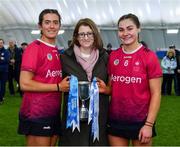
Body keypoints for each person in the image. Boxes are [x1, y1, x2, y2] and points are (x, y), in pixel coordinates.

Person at [99, 13, 162, 146]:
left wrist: (149, 125)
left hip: (141, 121)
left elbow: (156, 93)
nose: (125, 33)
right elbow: (112, 88)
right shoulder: (113, 56)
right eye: (121, 30)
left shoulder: (149, 57)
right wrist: (105, 89)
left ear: (139, 29)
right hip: (116, 119)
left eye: (130, 28)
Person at [18, 9, 69, 146]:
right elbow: (24, 83)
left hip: (53, 112)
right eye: (47, 22)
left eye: (55, 22)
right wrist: (58, 87)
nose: (51, 26)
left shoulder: (56, 50)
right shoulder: (34, 48)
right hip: (36, 114)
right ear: (40, 26)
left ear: (59, 26)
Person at [59, 18, 109, 146]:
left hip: (98, 117)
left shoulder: (105, 57)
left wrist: (107, 89)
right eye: (81, 34)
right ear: (76, 36)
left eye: (89, 33)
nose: (85, 37)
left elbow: (112, 86)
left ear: (95, 35)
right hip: (74, 118)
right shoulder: (65, 58)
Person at [0, 39, 10, 104]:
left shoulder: (6, 51)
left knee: (2, 85)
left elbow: (6, 60)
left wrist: (1, 59)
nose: (0, 44)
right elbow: (3, 60)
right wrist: (1, 58)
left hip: (4, 71)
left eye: (1, 43)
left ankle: (2, 96)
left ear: (3, 44)